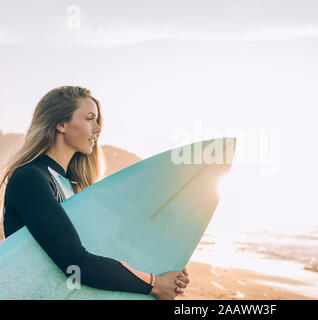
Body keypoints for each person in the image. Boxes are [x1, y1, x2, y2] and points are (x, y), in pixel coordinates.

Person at [0, 86, 189, 299]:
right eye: (90, 119)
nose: (98, 129)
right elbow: (76, 263)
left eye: (98, 120)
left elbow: (100, 249)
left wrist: (158, 268)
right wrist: (154, 284)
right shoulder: (30, 179)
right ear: (61, 124)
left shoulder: (69, 186)